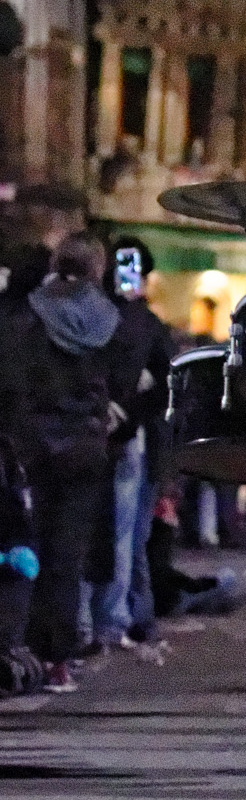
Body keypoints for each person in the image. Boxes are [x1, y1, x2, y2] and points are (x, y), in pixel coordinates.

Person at [0, 233, 120, 692]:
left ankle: (25, 645)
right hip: (86, 446)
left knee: (30, 548)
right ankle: (59, 659)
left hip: (34, 444)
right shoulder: (106, 317)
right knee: (67, 556)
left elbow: (13, 379)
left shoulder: (29, 312)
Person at [88, 237, 174, 652]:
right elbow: (166, 380)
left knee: (118, 534)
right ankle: (125, 617)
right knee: (128, 536)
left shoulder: (98, 316)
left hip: (111, 435)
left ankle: (128, 615)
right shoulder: (141, 322)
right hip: (132, 439)